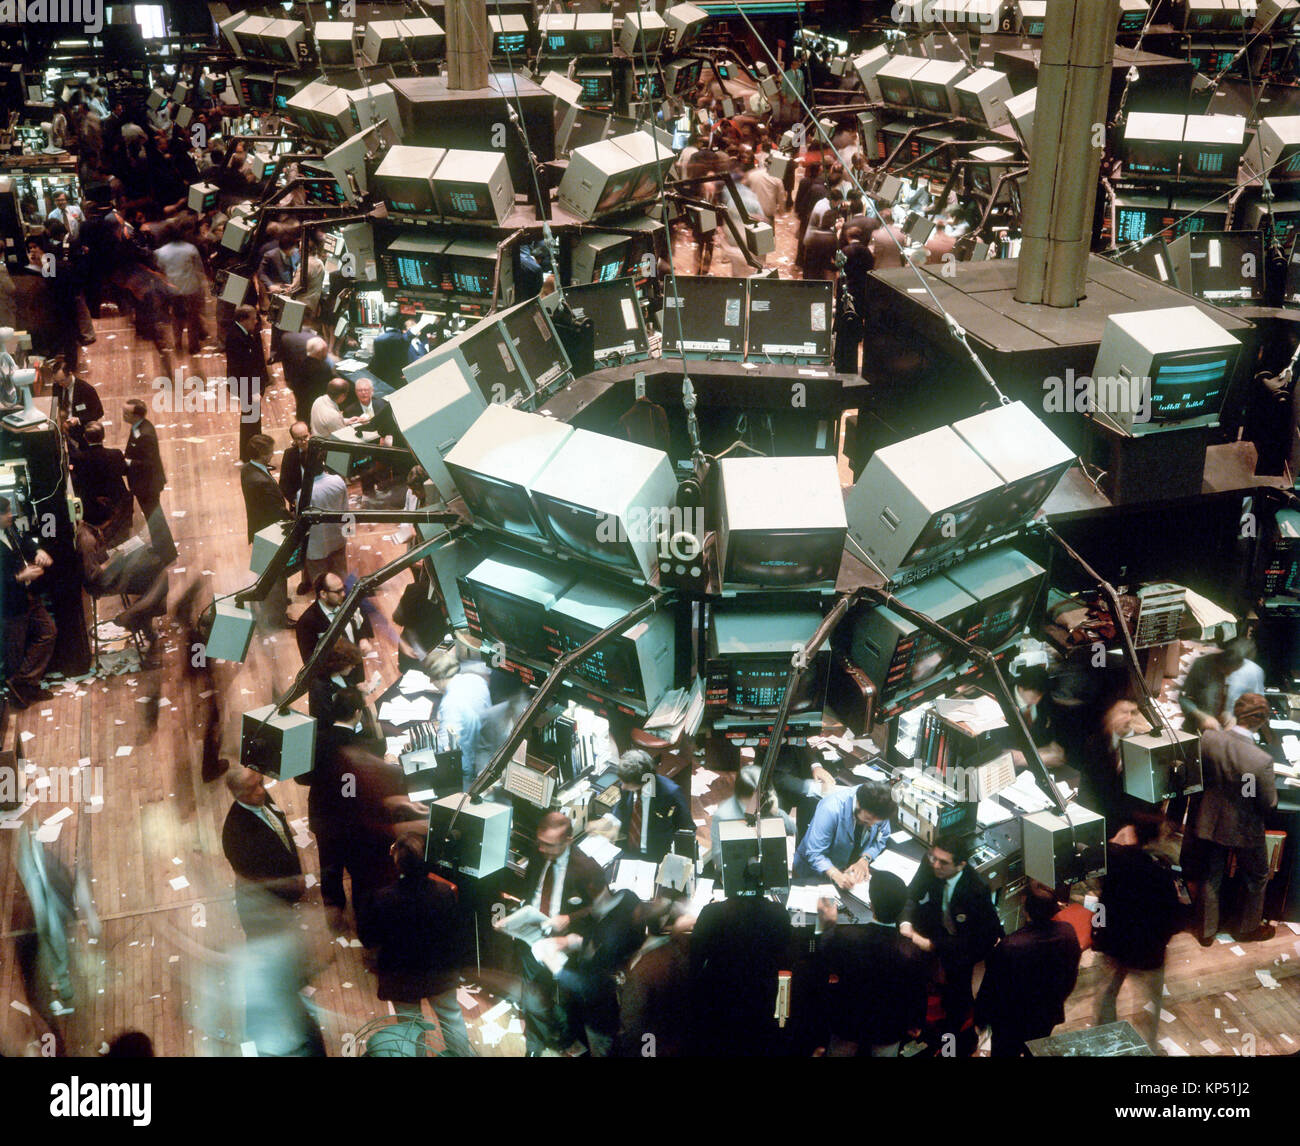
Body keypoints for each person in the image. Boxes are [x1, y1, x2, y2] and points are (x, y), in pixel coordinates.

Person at [361, 834, 475, 1057]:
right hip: (440, 972)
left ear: (397, 863)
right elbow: (457, 933)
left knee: (411, 1025)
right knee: (451, 1016)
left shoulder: (381, 898)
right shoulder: (445, 893)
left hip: (401, 976)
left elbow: (368, 939)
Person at [510, 811, 608, 1055]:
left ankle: (565, 1038)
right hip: (533, 935)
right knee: (531, 996)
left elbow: (601, 909)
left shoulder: (587, 869)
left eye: (549, 845)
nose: (542, 849)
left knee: (567, 1000)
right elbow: (530, 886)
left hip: (564, 944)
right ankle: (535, 1043)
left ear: (568, 840)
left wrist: (570, 918)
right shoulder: (538, 851)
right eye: (540, 842)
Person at [1188, 693, 1278, 944]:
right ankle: (1247, 928)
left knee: (1211, 875)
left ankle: (1206, 933)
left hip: (1211, 821)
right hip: (1243, 828)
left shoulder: (1208, 739)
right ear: (1261, 721)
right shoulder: (1261, 760)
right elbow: (1269, 803)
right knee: (1257, 875)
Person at [902, 835, 1004, 1052]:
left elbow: (973, 940)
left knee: (957, 993)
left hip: (967, 943)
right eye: (933, 858)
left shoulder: (976, 890)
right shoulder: (931, 863)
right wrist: (905, 922)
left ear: (961, 865)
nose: (935, 865)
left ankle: (955, 1039)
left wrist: (932, 945)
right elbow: (912, 893)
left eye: (943, 863)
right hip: (938, 920)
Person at [815, 870, 928, 1057]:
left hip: (848, 1022)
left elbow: (824, 954)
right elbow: (917, 991)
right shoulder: (911, 952)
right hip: (888, 1028)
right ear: (901, 910)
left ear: (871, 904)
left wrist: (827, 926)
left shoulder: (845, 937)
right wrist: (916, 1022)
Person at [1093, 813, 1182, 1049]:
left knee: (1107, 994)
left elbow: (1103, 898)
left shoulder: (1118, 862)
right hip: (1150, 952)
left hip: (1117, 945)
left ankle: (1103, 1041)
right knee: (1151, 1002)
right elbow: (1175, 917)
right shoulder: (1165, 873)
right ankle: (1147, 1045)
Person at [974, 885, 1082, 1057]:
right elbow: (1071, 975)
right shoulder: (1068, 932)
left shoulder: (1009, 946)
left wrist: (980, 1018)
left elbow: (991, 988)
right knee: (1035, 1051)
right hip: (1045, 1015)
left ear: (1026, 910)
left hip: (1010, 1021)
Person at [220, 765, 304, 937]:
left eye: (261, 783)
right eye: (252, 788)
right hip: (271, 905)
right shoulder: (236, 837)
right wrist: (291, 887)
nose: (261, 791)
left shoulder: (259, 797)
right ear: (238, 793)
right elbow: (259, 881)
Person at [1, 496, 56, 709]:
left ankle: (21, 682)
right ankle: (24, 689)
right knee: (14, 652)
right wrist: (18, 577)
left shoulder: (9, 529)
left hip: (27, 596)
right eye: (5, 513)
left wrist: (38, 551)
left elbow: (25, 541)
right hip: (10, 606)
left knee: (48, 632)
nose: (10, 515)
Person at [792, 780, 893, 889]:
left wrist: (865, 859)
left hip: (849, 870)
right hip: (814, 874)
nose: (871, 826)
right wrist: (835, 874)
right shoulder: (831, 808)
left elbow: (882, 837)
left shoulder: (881, 806)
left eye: (875, 823)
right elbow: (815, 853)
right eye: (867, 821)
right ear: (858, 804)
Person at [599, 749, 693, 864]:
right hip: (626, 851)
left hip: (655, 857)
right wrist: (609, 821)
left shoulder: (670, 793)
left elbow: (687, 829)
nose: (622, 787)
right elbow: (622, 808)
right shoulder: (627, 785)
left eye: (626, 783)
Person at [240, 434, 291, 631]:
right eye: (270, 451)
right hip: (271, 531)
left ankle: (268, 600)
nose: (272, 454)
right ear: (263, 455)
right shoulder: (261, 481)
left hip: (258, 527)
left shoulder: (248, 469)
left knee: (267, 572)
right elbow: (277, 510)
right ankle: (278, 616)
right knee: (277, 574)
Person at [425, 647, 493, 788]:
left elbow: (448, 751)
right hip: (488, 757)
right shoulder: (476, 679)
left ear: (436, 679)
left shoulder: (449, 704)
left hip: (468, 774)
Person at [709, 764, 795, 873]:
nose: (761, 803)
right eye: (756, 798)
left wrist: (777, 813)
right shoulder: (723, 816)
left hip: (769, 867)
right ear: (743, 797)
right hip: (739, 872)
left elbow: (792, 830)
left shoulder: (766, 805)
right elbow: (720, 861)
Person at [153, 216, 207, 355]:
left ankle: (177, 343)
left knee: (177, 318)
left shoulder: (161, 252)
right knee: (192, 318)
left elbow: (159, 271)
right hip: (191, 288)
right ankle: (193, 345)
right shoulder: (191, 249)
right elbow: (199, 269)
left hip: (172, 289)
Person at [296, 571, 375, 665]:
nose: (343, 594)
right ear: (323, 594)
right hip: (332, 676)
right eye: (338, 592)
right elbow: (310, 661)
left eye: (343, 589)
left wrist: (363, 638)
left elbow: (362, 621)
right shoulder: (307, 622)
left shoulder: (349, 602)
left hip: (355, 667)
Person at [225, 303, 266, 462]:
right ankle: (251, 457)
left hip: (251, 386)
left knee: (252, 421)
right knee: (251, 422)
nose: (256, 322)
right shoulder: (236, 337)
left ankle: (251, 455)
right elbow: (243, 368)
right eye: (253, 319)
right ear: (243, 320)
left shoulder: (244, 333)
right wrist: (253, 391)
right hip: (247, 387)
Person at [1180, 641, 1249, 732]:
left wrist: (1231, 715)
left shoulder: (1244, 671)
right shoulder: (1202, 665)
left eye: (1233, 671)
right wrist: (1201, 715)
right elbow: (1182, 698)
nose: (1228, 674)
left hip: (1220, 730)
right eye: (1226, 670)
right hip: (1197, 727)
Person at [302, 464, 349, 586]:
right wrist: (348, 535)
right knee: (341, 581)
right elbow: (347, 511)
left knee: (321, 585)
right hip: (338, 539)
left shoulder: (303, 493)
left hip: (316, 546)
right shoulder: (338, 481)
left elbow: (301, 524)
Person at [122, 398, 166, 520]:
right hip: (143, 482)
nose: (123, 415)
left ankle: (162, 540)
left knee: (154, 518)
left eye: (126, 413)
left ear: (136, 416)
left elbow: (149, 463)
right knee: (152, 517)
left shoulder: (145, 434)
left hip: (148, 484)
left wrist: (128, 462)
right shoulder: (139, 426)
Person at [45, 354, 102, 445]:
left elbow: (98, 412)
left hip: (82, 432)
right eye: (57, 381)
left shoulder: (86, 389)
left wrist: (78, 419)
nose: (60, 384)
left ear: (70, 373)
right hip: (63, 428)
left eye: (62, 380)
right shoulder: (57, 386)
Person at [368, 306, 413, 389]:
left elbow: (376, 362)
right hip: (399, 381)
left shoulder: (378, 340)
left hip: (382, 380)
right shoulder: (404, 339)